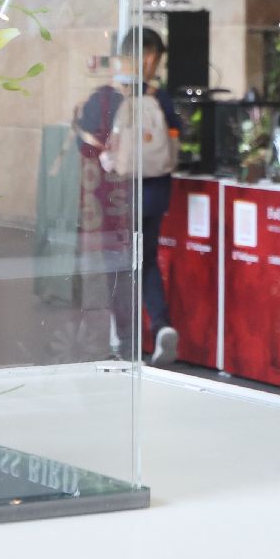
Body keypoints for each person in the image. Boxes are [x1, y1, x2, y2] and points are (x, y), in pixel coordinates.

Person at [76, 27, 183, 366]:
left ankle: (124, 340)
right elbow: (177, 133)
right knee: (146, 261)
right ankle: (161, 325)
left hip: (117, 197)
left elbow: (85, 146)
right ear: (149, 57)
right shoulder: (159, 96)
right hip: (156, 193)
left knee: (118, 266)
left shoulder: (106, 97)